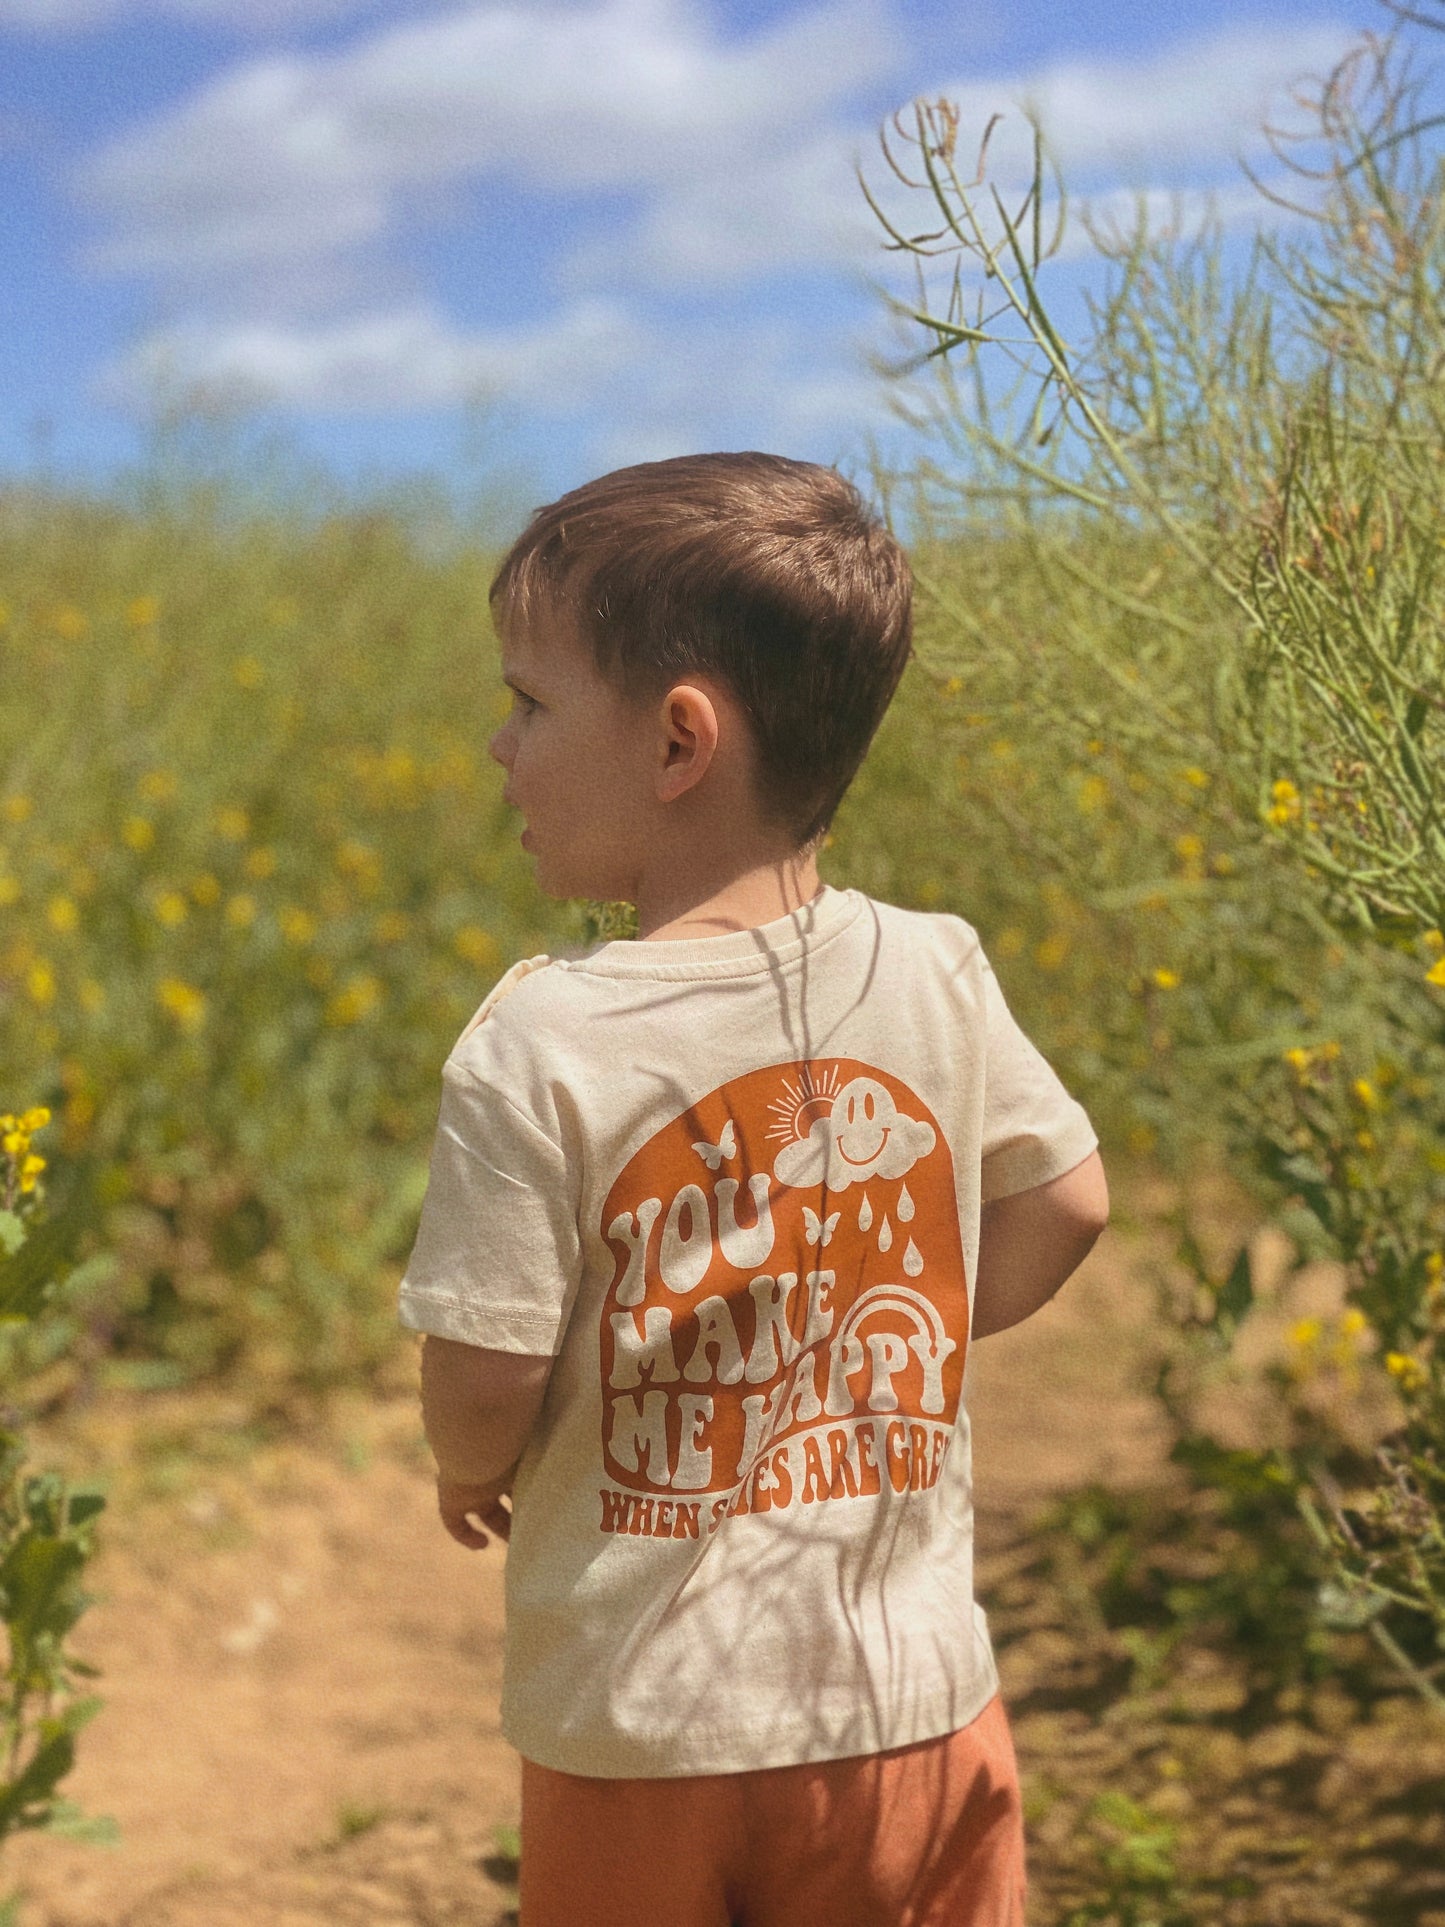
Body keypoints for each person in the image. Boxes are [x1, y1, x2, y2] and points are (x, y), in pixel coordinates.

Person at [398, 451, 1109, 1927]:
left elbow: (485, 1365)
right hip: (912, 1711)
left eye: (528, 703)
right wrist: (854, 1353)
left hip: (643, 1729)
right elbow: (1067, 1204)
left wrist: (470, 1464)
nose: (495, 746)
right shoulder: (935, 967)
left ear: (677, 742)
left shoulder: (541, 1036)